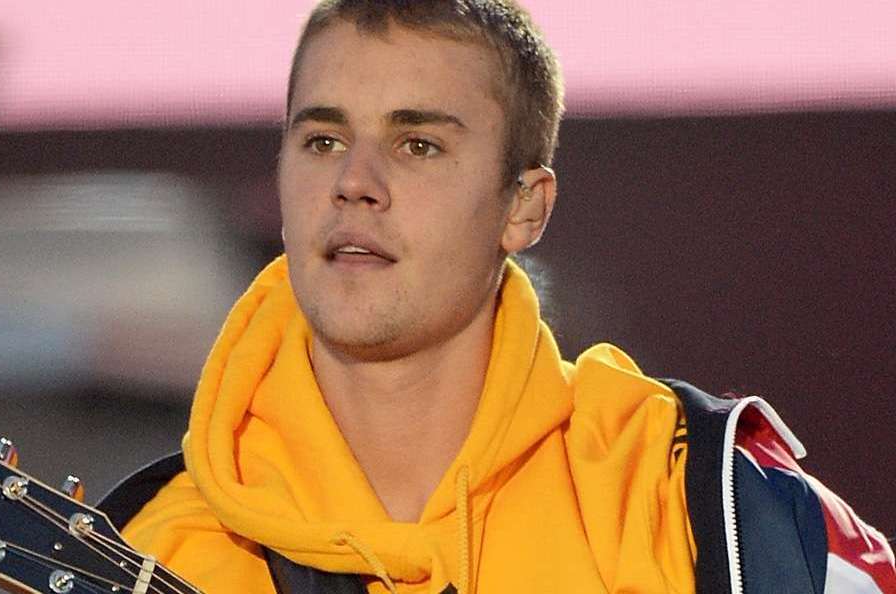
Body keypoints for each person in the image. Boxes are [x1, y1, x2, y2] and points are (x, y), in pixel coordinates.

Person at [99, 1, 896, 592]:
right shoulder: (150, 550)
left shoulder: (694, 498)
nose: (353, 182)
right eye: (323, 140)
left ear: (524, 207)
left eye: (418, 145)